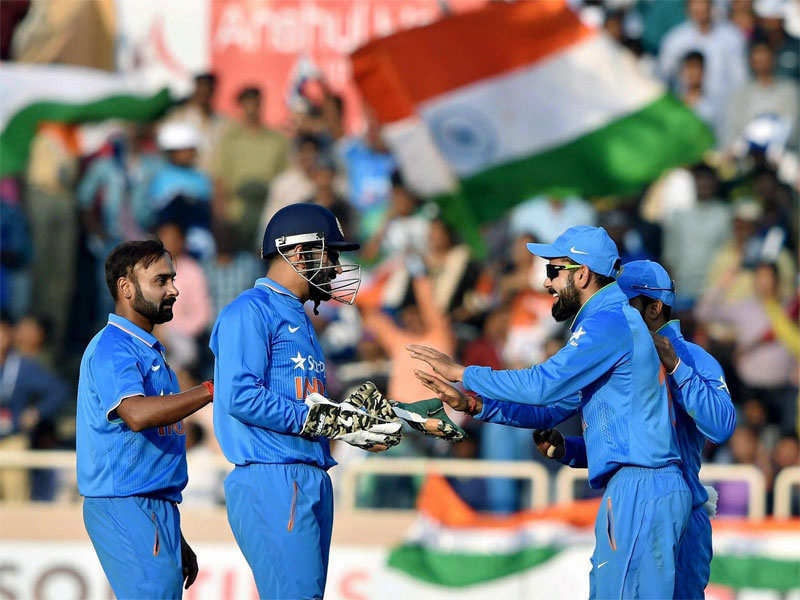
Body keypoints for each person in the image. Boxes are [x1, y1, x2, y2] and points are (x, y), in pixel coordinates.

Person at [410, 226, 690, 598]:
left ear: (582, 274)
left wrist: (465, 373)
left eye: (553, 270)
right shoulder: (609, 322)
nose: (546, 283)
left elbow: (544, 385)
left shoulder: (608, 322)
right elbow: (551, 409)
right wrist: (475, 404)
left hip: (641, 487)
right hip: (639, 487)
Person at [210, 203, 401, 599]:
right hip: (274, 475)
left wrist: (354, 424)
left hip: (309, 475)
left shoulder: (299, 317)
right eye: (329, 253)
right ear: (298, 253)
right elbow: (240, 396)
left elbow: (307, 406)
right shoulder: (250, 310)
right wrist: (323, 420)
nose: (335, 266)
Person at [76, 240, 214, 599]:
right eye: (161, 280)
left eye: (173, 279)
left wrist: (174, 535)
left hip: (155, 506)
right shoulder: (114, 346)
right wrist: (210, 390)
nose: (174, 289)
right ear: (126, 288)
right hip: (128, 503)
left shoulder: (148, 350)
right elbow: (135, 415)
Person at [615, 260, 736, 598]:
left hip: (682, 522)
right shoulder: (616, 358)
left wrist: (678, 367)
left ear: (654, 308)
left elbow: (722, 425)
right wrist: (570, 449)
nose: (617, 314)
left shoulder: (694, 358)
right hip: (627, 513)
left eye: (627, 304)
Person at [0, 312, 68, 501]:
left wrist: (36, 412)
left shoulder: (22, 367)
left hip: (11, 439)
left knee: (15, 500)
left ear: (9, 334)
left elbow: (59, 390)